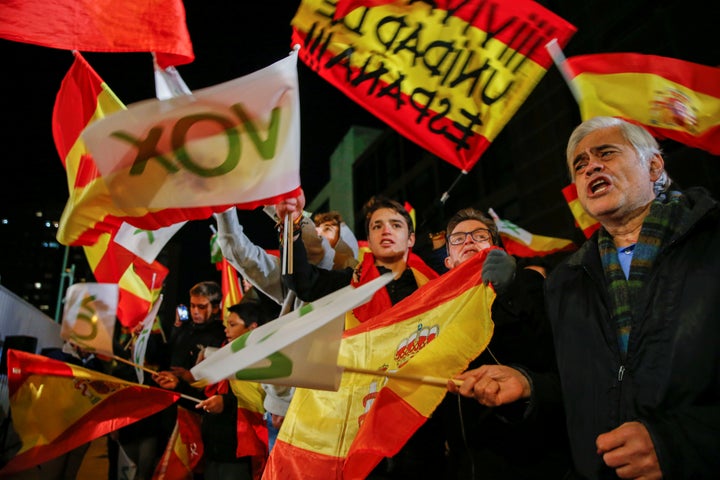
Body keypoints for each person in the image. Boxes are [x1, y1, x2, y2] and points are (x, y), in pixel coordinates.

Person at [451, 116, 720, 479]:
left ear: (654, 165)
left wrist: (680, 445)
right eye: (580, 164)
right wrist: (531, 385)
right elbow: (584, 387)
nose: (591, 165)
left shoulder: (711, 244)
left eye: (606, 153)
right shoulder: (567, 281)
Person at [280, 193, 441, 477]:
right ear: (369, 239)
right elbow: (301, 282)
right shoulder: (350, 283)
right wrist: (291, 225)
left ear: (411, 239)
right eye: (377, 226)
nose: (386, 230)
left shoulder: (436, 286)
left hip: (421, 416)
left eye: (395, 224)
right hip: (362, 417)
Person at [438, 208, 570, 479]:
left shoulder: (527, 284)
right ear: (448, 261)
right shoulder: (438, 313)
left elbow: (547, 356)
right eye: (458, 238)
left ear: (496, 247)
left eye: (479, 235)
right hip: (470, 464)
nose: (469, 241)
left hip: (531, 458)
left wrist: (509, 292)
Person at [194, 301, 270, 480]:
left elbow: (260, 405)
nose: (226, 330)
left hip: (238, 456)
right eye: (226, 324)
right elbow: (203, 396)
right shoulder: (224, 355)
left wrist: (225, 403)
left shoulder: (262, 362)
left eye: (233, 325)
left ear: (252, 328)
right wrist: (176, 385)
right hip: (214, 451)